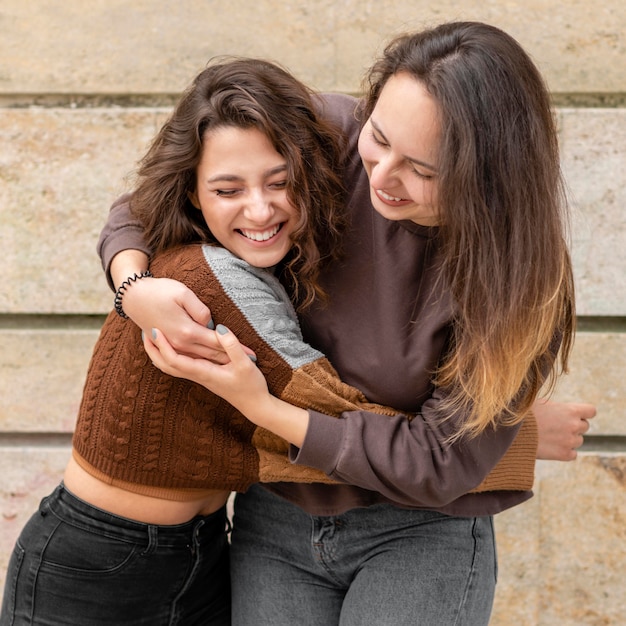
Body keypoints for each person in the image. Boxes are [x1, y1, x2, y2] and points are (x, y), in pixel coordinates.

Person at [99, 22, 595, 625]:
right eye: (379, 137)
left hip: (419, 534)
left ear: (492, 176)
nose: (382, 176)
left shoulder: (520, 281)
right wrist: (134, 285)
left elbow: (439, 463)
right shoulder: (328, 133)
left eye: (424, 170)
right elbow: (158, 196)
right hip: (276, 519)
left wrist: (266, 409)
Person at [2, 57, 495, 626]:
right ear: (189, 191)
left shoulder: (251, 245)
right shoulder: (205, 284)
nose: (259, 209)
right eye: (227, 189)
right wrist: (132, 288)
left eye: (280, 183)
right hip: (99, 566)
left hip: (203, 552)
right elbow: (326, 416)